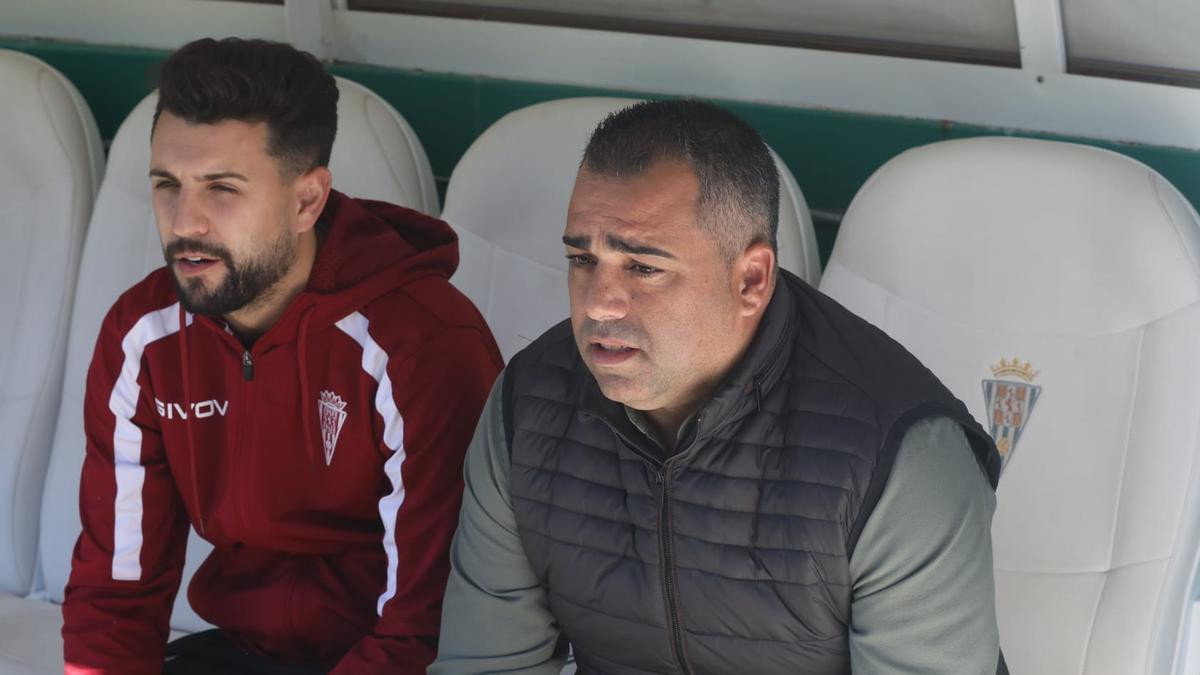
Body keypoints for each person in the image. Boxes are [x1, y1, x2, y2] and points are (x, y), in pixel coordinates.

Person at [431, 100, 1005, 674]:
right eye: (583, 258)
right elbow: (484, 663)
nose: (599, 303)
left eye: (644, 267)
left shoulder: (900, 453)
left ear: (750, 279)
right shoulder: (527, 405)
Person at [62, 37, 502, 674]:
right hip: (244, 653)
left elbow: (430, 619)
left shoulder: (422, 346)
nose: (186, 222)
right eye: (167, 185)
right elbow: (115, 587)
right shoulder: (146, 336)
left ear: (306, 200)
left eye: (222, 189)